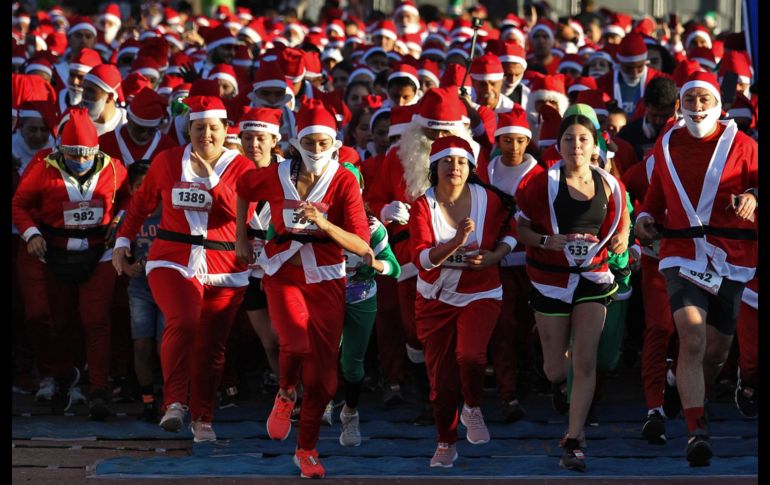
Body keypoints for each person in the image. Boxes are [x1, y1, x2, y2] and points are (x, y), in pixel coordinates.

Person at [235, 98, 370, 479]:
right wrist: (241, 236)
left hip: (327, 277)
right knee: (294, 343)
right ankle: (284, 392)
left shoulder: (343, 180)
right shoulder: (278, 174)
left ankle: (306, 449)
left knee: (325, 379)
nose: (315, 151)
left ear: (334, 145)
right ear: (296, 143)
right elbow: (243, 186)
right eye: (308, 143)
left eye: (322, 143)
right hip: (283, 272)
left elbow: (361, 244)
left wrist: (325, 224)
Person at [112, 96, 256, 443]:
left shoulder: (243, 169)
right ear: (188, 129)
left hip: (224, 266)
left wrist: (210, 178)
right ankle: (174, 403)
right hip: (171, 257)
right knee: (184, 320)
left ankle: (203, 417)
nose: (206, 134)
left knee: (211, 346)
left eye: (213, 128)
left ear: (225, 130)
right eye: (198, 127)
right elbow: (140, 204)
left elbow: (243, 218)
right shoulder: (166, 161)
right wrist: (122, 243)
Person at [634, 71, 757, 467]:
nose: (698, 107)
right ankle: (696, 431)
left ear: (717, 103)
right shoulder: (666, 144)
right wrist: (645, 217)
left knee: (717, 351)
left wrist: (754, 197)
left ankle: (678, 385)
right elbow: (653, 197)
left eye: (704, 99)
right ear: (680, 105)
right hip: (681, 250)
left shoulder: (744, 145)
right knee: (691, 337)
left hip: (731, 255)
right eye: (691, 101)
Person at [516, 104, 630, 472]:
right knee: (555, 369)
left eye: (583, 139)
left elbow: (623, 219)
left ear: (595, 144)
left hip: (594, 278)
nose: (576, 146)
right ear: (559, 145)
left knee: (585, 359)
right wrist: (546, 241)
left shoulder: (610, 183)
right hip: (550, 278)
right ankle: (554, 378)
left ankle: (574, 436)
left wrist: (623, 239)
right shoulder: (541, 183)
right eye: (569, 139)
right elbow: (521, 229)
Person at [13, 107, 130, 420]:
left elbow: (129, 201)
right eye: (72, 153)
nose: (80, 160)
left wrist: (118, 221)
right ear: (60, 149)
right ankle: (62, 373)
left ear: (97, 150)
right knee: (54, 318)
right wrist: (31, 233)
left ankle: (99, 389)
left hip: (98, 250)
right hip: (55, 249)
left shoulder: (115, 169)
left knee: (96, 319)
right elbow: (19, 204)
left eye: (86, 153)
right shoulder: (42, 167)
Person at [410, 135, 518, 467]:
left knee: (470, 355)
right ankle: (446, 441)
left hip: (481, 292)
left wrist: (494, 256)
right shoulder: (422, 206)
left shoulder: (488, 199)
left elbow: (512, 231)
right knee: (440, 384)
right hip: (435, 298)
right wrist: (457, 241)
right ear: (434, 166)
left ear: (470, 167)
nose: (454, 167)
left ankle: (472, 405)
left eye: (461, 161)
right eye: (446, 161)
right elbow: (423, 260)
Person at [476, 106, 543, 422]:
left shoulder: (539, 175)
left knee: (529, 326)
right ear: (497, 141)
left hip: (531, 263)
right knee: (501, 327)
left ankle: (530, 377)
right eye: (506, 141)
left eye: (519, 141)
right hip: (497, 263)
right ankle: (508, 393)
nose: (513, 147)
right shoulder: (487, 173)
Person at [333, 162, 401, 447]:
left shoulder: (373, 227)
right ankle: (319, 403)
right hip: (327, 295)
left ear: (359, 191)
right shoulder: (318, 223)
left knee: (353, 366)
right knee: (321, 356)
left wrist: (376, 263)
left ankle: (350, 413)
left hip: (361, 296)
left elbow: (395, 268)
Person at [236, 106, 284, 396]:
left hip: (281, 266)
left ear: (273, 142)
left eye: (260, 139)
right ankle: (284, 391)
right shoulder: (232, 171)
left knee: (285, 337)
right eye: (248, 138)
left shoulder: (289, 172)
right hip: (247, 267)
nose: (253, 144)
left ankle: (300, 389)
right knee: (268, 341)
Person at [121, 160, 165, 423]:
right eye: (140, 186)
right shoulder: (128, 216)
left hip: (168, 288)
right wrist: (127, 267)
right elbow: (118, 250)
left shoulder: (171, 212)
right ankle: (148, 399)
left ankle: (172, 398)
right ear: (131, 188)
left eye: (151, 185)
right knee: (141, 344)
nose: (146, 191)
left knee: (166, 347)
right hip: (140, 289)